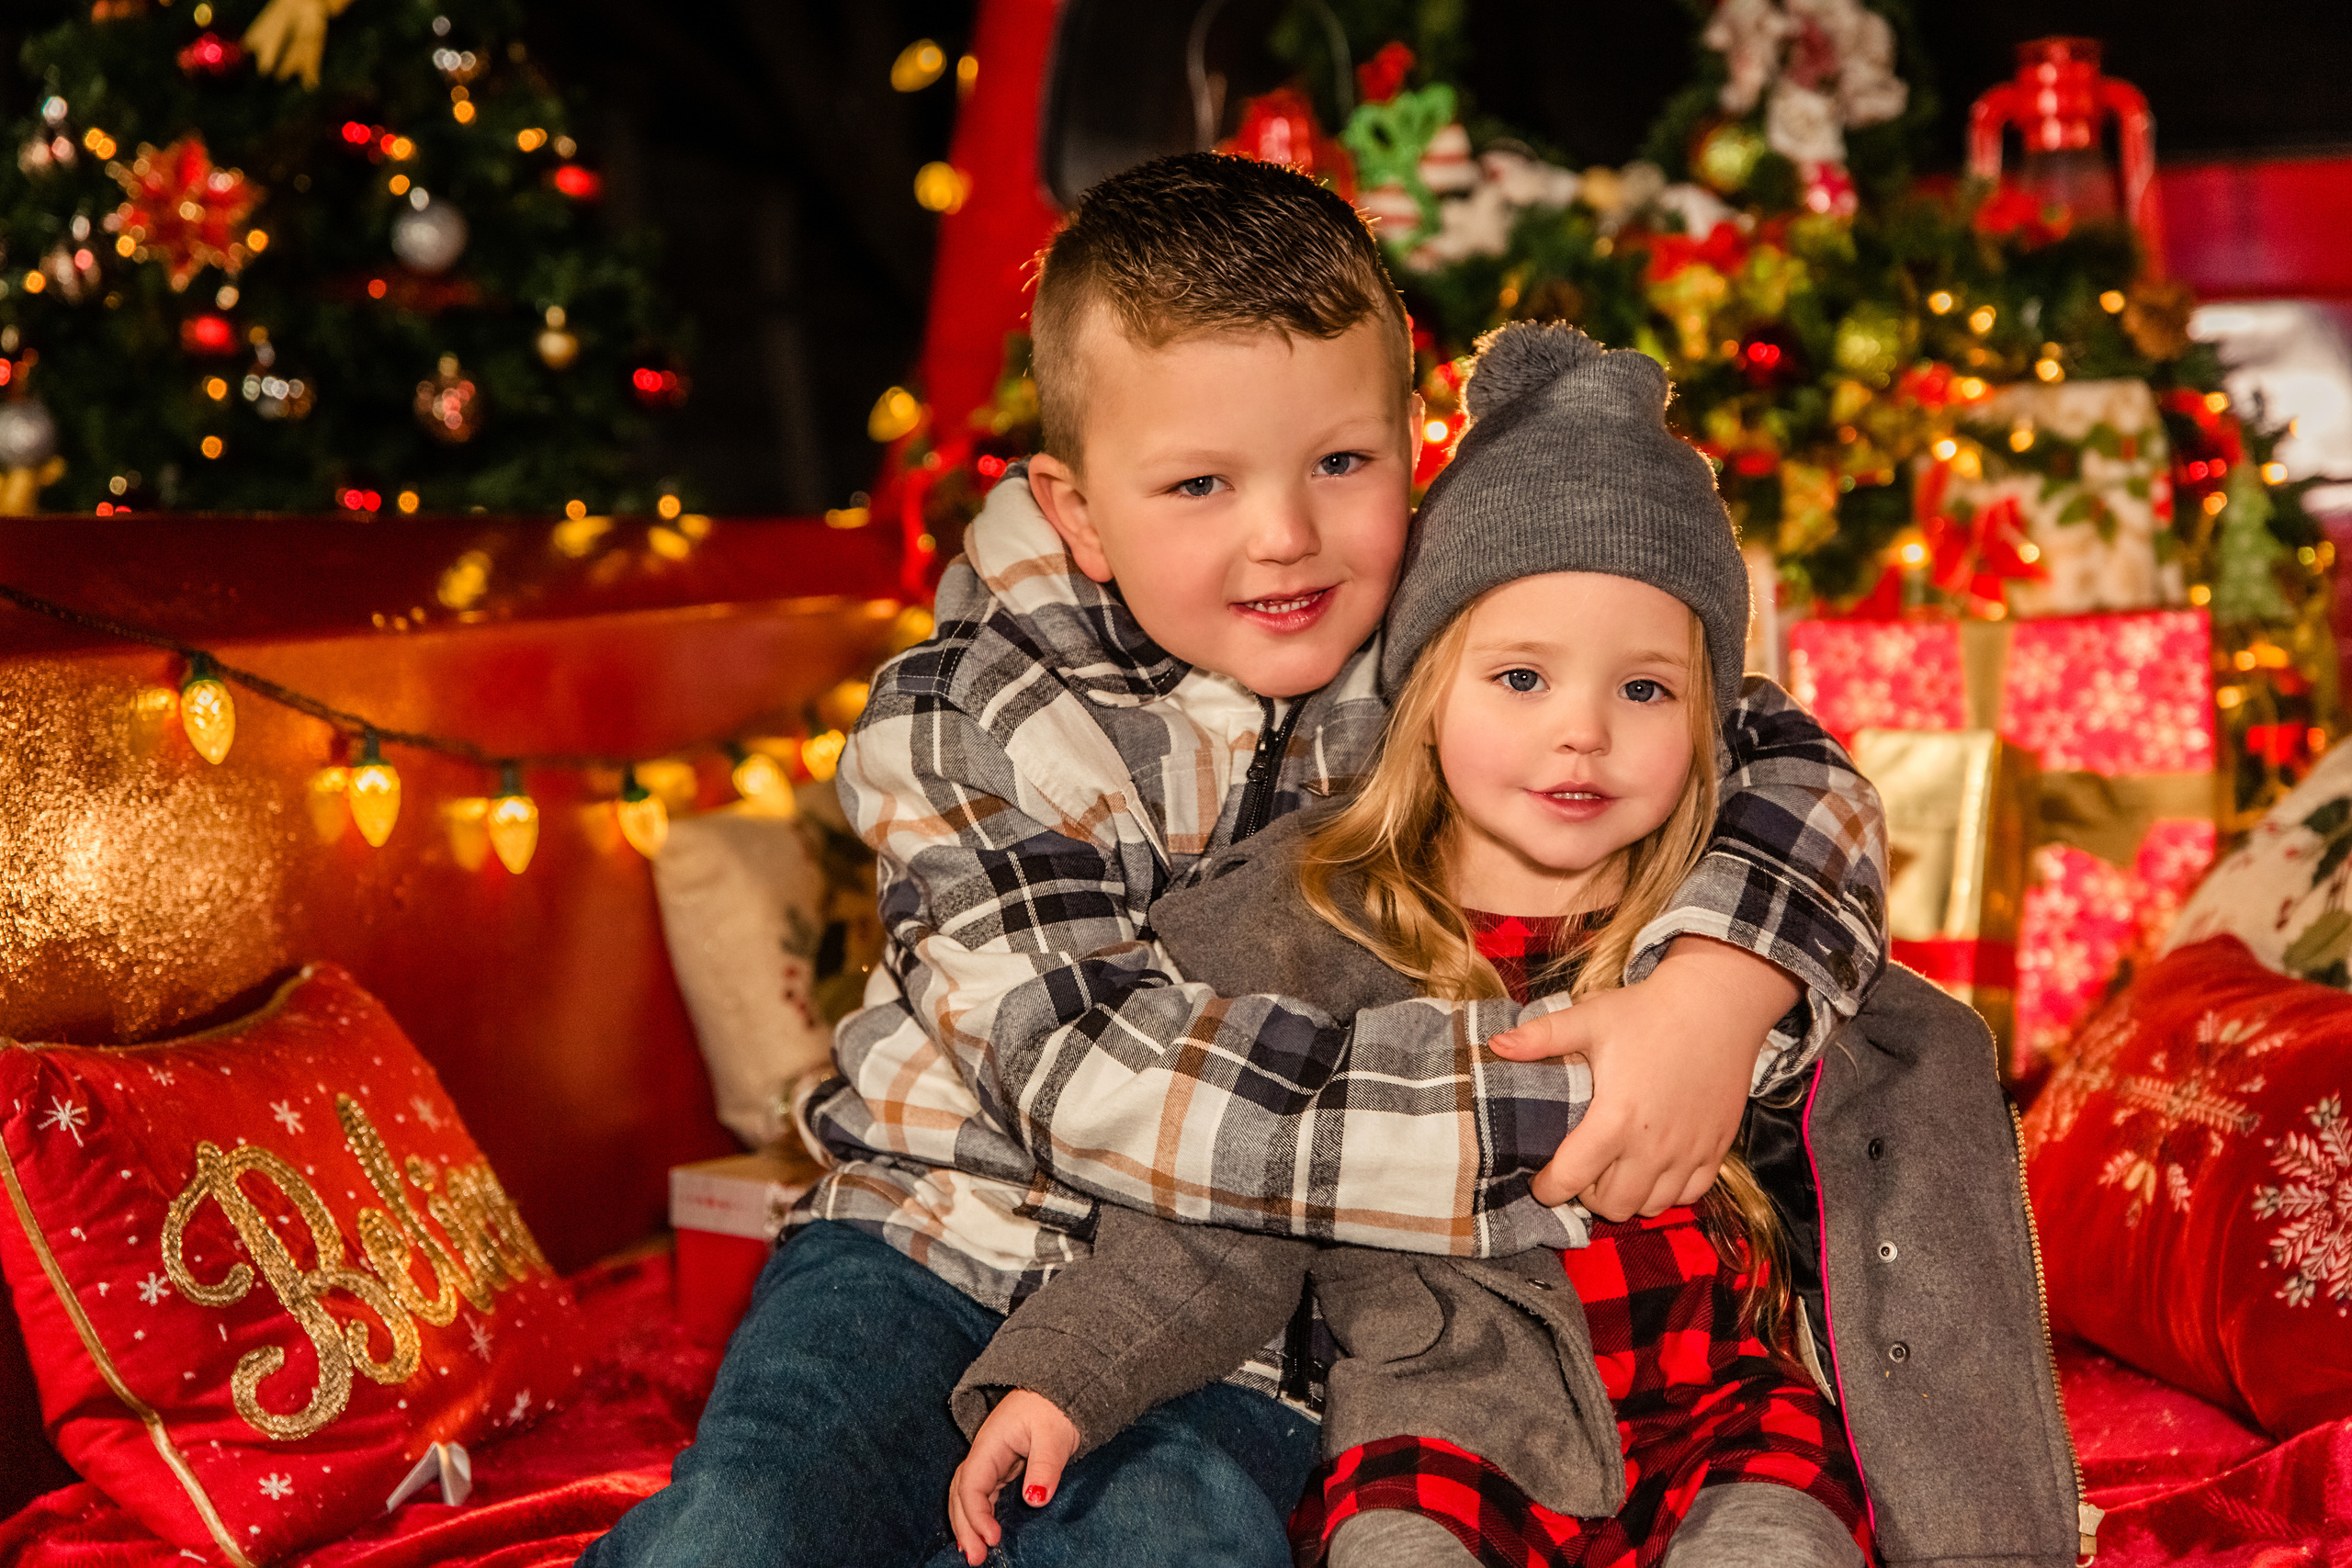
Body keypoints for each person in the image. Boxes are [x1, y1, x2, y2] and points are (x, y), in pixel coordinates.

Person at [577, 153, 1891, 1568]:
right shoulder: (967, 713)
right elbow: (1089, 1076)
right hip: (930, 1252)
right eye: (1199, 482)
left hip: (1257, 1322)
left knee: (1182, 1541)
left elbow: (1775, 760)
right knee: (747, 1525)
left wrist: (1720, 989)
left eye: (1342, 463)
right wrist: (1581, 1111)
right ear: (1078, 512)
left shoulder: (1445, 650)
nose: (1285, 535)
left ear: (1410, 448)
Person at [941, 323, 2089, 1568]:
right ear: (1430, 696)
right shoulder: (1317, 919)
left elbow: (1900, 1166)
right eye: (1522, 679)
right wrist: (1065, 1380)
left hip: (1728, 1415)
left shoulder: (1718, 915)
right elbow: (1223, 1216)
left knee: (1778, 1551)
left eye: (1645, 690)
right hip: (1448, 1418)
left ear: (1712, 722)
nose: (1582, 733)